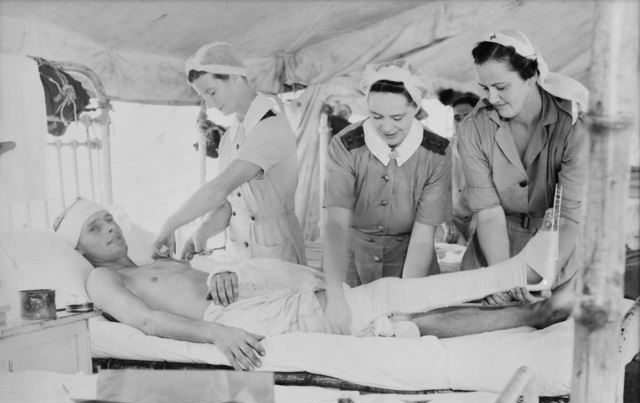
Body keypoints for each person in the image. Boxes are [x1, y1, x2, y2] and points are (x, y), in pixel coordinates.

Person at [55, 198, 572, 371]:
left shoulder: (151, 257)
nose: (111, 228)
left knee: (390, 323)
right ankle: (517, 276)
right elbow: (146, 320)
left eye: (109, 218)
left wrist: (222, 273)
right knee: (372, 300)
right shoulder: (103, 278)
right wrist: (215, 336)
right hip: (229, 325)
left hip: (254, 302)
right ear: (80, 247)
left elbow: (200, 277)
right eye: (96, 228)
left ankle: (532, 313)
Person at [458, 29, 588, 306]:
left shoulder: (574, 127)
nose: (492, 98)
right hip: (493, 250)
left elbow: (568, 217)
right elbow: (489, 212)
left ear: (531, 76)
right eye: (485, 88)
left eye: (501, 87)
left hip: (556, 249)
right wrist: (502, 277)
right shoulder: (473, 128)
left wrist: (540, 274)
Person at [152, 42, 307, 272]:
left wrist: (170, 224)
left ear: (234, 77)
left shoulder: (271, 128)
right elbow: (228, 204)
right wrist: (203, 231)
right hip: (239, 256)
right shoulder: (231, 136)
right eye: (204, 97)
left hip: (275, 254)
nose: (210, 104)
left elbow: (220, 188)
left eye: (212, 92)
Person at [323, 60, 453, 334]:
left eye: (397, 118)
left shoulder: (437, 152)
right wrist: (335, 295)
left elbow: (422, 236)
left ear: (416, 109)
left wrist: (405, 306)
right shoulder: (345, 146)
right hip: (355, 261)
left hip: (412, 264)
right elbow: (335, 224)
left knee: (409, 339)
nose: (386, 127)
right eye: (376, 116)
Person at [440, 92, 480, 244]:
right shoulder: (442, 150)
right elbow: (432, 192)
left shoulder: (492, 150)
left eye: (467, 116)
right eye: (457, 118)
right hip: (449, 221)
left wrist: (481, 222)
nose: (461, 122)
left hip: (481, 220)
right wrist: (447, 223)